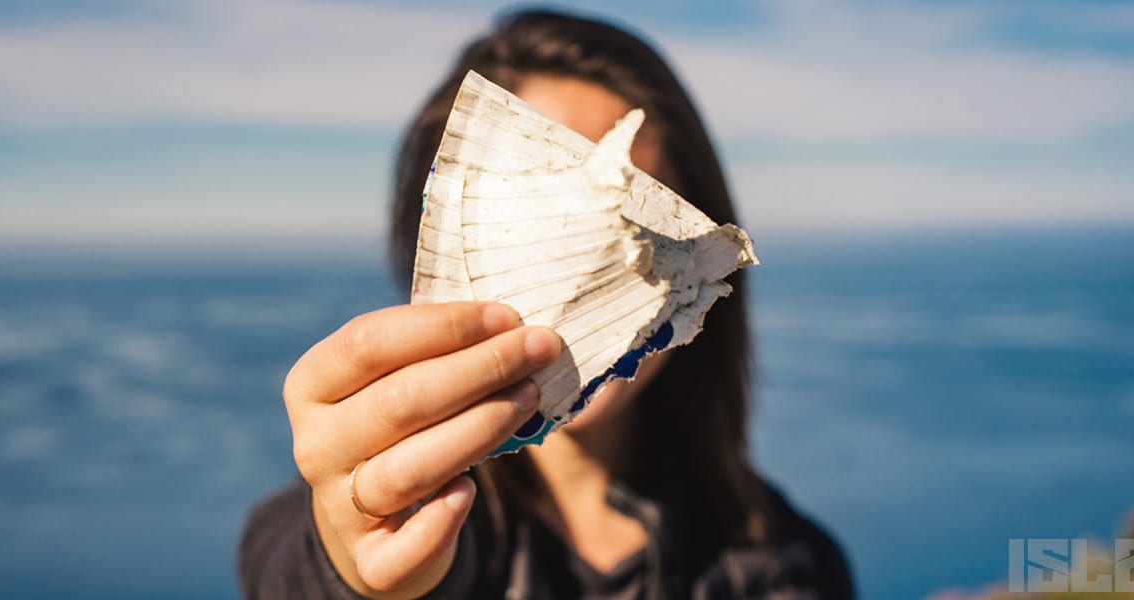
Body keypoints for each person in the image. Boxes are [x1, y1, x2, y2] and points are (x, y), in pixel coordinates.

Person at [239, 9, 854, 599]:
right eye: (542, 228)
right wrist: (360, 567)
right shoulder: (412, 523)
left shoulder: (789, 566)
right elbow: (290, 565)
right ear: (442, 239)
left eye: (638, 227)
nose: (586, 273)